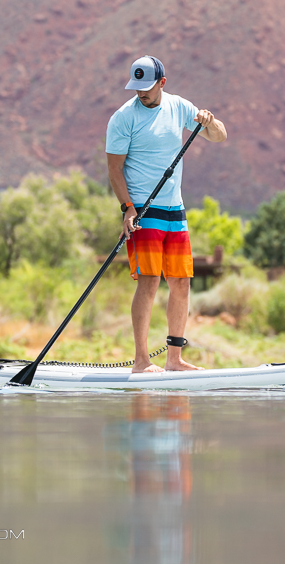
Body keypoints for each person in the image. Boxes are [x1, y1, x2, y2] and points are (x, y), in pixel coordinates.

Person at [106, 56, 227, 373]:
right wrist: (127, 208)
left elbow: (220, 136)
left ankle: (174, 360)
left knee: (181, 283)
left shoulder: (180, 107)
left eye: (146, 88)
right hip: (144, 210)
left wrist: (208, 122)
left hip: (176, 210)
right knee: (149, 282)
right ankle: (142, 361)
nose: (141, 94)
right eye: (136, 88)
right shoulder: (123, 119)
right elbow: (114, 169)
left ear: (162, 82)